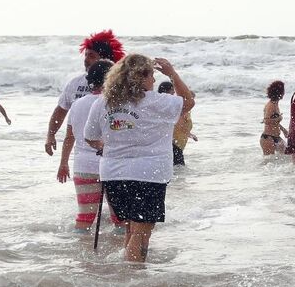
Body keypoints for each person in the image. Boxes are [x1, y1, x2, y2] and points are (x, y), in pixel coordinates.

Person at [84, 54, 194, 262]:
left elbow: (90, 137)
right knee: (141, 231)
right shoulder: (155, 102)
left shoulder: (103, 102)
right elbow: (188, 101)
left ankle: (129, 273)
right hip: (149, 174)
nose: (153, 80)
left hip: (114, 174)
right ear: (140, 77)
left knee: (131, 227)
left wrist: (108, 146)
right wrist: (171, 74)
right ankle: (134, 277)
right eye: (151, 76)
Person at [56, 60, 122, 230]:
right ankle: (120, 252)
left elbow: (69, 137)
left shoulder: (77, 104)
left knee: (85, 216)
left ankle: (80, 250)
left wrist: (63, 163)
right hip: (112, 165)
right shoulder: (114, 103)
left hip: (83, 165)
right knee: (120, 217)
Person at [45, 30, 125, 156]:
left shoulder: (119, 85)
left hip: (112, 154)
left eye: (91, 56)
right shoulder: (75, 83)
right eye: (86, 55)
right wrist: (51, 135)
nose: (86, 59)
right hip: (83, 155)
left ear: (105, 60)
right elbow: (61, 111)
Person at [158, 82, 197, 166]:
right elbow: (178, 123)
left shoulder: (168, 105)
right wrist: (189, 134)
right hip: (173, 145)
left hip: (172, 145)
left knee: (176, 171)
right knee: (180, 170)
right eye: (172, 90)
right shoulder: (176, 107)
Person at [261, 80, 288, 155]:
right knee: (268, 163)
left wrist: (283, 130)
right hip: (268, 138)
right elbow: (266, 121)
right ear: (279, 92)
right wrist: (278, 118)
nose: (284, 93)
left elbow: (273, 122)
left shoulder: (275, 104)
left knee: (288, 156)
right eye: (283, 91)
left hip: (276, 137)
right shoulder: (271, 105)